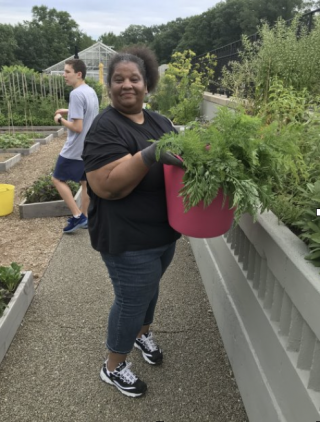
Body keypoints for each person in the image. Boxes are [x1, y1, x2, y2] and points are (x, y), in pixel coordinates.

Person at [82, 46, 183, 398]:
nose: (127, 85)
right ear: (109, 86)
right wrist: (150, 153)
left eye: (134, 78)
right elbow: (106, 187)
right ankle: (113, 366)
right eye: (118, 79)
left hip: (163, 233)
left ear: (147, 83)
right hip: (127, 238)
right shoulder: (105, 128)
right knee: (131, 299)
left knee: (150, 291)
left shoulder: (159, 122)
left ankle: (142, 334)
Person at [53, 59, 99, 233]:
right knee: (84, 183)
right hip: (89, 148)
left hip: (74, 149)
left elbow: (77, 127)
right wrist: (67, 110)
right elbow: (88, 113)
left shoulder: (76, 94)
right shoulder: (90, 91)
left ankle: (77, 215)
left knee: (57, 179)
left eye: (67, 72)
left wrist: (60, 119)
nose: (64, 75)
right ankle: (85, 217)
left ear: (78, 74)